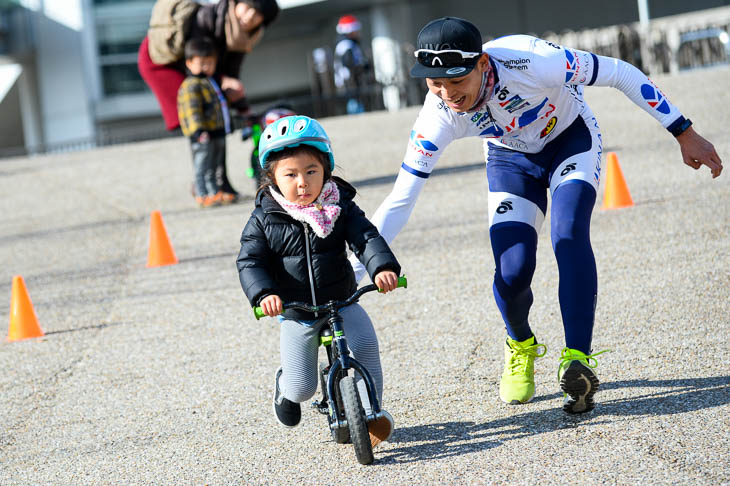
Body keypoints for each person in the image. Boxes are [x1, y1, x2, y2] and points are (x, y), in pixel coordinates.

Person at [350, 17, 723, 414]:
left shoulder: (532, 60)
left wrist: (683, 131)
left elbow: (620, 72)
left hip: (570, 140)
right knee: (512, 271)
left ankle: (577, 358)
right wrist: (354, 270)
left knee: (568, 233)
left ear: (481, 63)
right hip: (510, 160)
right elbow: (401, 199)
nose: (447, 94)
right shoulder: (437, 117)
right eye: (434, 83)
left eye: (456, 81)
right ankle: (520, 344)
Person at [236, 115, 401, 445]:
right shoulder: (265, 218)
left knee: (366, 344)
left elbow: (366, 237)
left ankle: (370, 413)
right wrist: (264, 293)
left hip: (341, 300)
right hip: (297, 310)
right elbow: (250, 260)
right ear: (271, 178)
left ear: (326, 168)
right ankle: (285, 385)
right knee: (302, 387)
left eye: (311, 171)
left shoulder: (339, 205)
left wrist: (382, 267)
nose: (302, 183)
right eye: (291, 174)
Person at [138, 0, 280, 201]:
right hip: (164, 63)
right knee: (201, 122)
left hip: (199, 71)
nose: (249, 17)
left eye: (258, 16)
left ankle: (221, 185)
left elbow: (231, 76)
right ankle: (203, 186)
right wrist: (223, 81)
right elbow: (196, 64)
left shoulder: (242, 38)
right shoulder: (207, 18)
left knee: (217, 121)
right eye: (248, 8)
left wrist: (243, 108)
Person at [177, 37, 230, 208]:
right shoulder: (191, 85)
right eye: (202, 63)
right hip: (202, 134)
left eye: (210, 63)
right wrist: (198, 130)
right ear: (189, 63)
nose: (206, 67)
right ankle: (201, 193)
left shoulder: (210, 82)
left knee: (214, 165)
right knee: (202, 165)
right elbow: (192, 111)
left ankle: (214, 192)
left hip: (215, 131)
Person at [333, 15, 370, 114]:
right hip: (350, 85)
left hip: (350, 84)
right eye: (356, 31)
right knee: (355, 106)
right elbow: (349, 65)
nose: (358, 33)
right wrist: (363, 66)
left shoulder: (347, 45)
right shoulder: (346, 46)